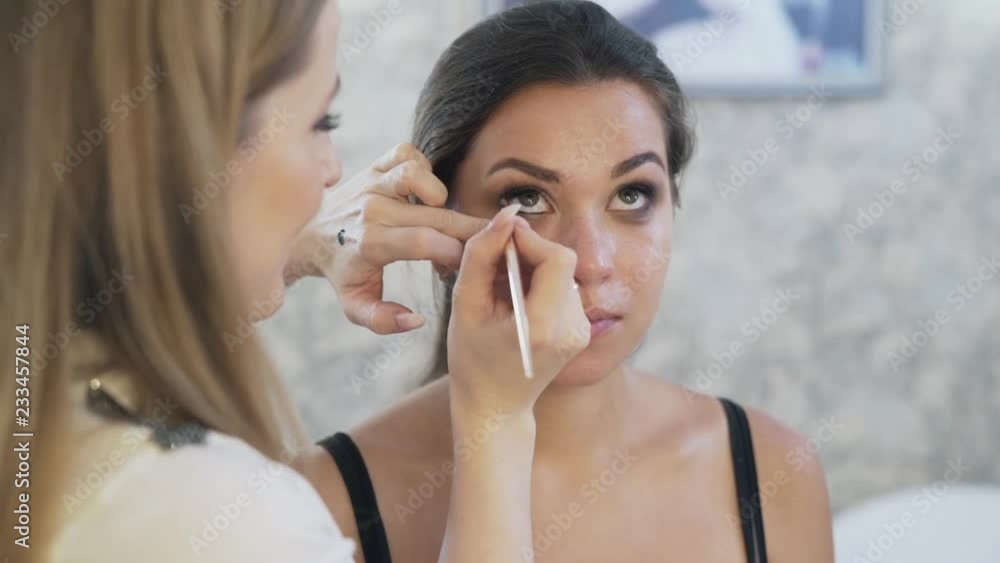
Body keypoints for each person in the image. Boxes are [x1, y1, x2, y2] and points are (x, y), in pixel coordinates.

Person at [0, 1, 585, 561]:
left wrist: (295, 245)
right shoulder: (217, 517)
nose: (334, 173)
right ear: (191, 145)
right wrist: (496, 421)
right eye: (318, 122)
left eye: (635, 194)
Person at [304, 2, 835, 562]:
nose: (591, 260)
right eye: (527, 199)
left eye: (632, 195)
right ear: (435, 228)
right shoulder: (326, 503)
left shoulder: (771, 471)